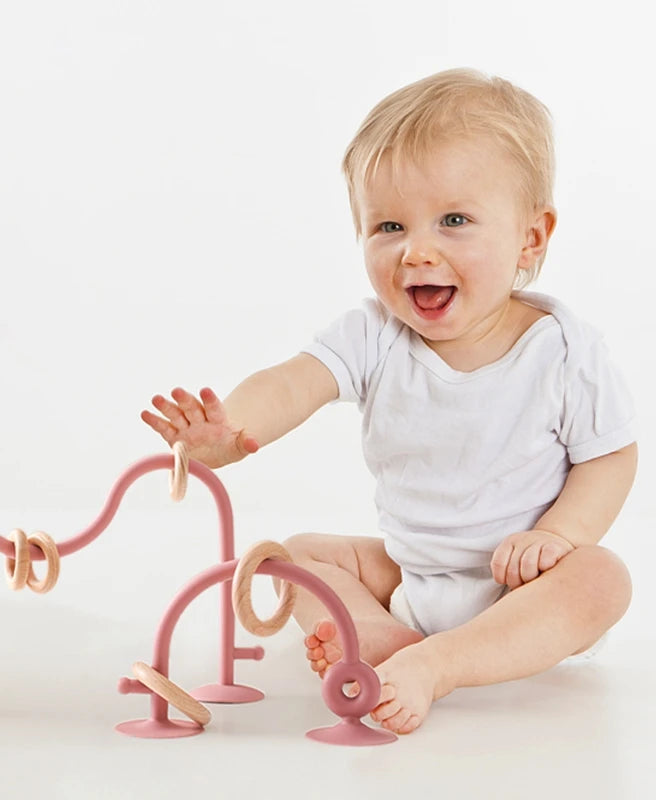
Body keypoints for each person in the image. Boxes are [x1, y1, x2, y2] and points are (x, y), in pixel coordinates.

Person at [141, 68, 637, 735]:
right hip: (410, 573)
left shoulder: (564, 352)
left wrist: (557, 536)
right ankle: (377, 636)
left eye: (454, 220)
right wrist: (228, 430)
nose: (417, 250)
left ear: (531, 237)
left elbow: (610, 458)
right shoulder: (375, 334)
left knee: (602, 579)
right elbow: (293, 382)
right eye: (389, 226)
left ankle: (443, 664)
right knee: (293, 555)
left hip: (521, 589)